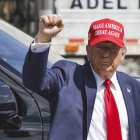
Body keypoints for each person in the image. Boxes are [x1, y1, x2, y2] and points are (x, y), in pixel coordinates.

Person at [22, 14, 140, 140]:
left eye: (112, 48)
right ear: (88, 51)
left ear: (122, 54)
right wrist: (43, 39)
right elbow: (33, 81)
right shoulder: (68, 76)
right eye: (99, 47)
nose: (105, 54)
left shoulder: (133, 87)